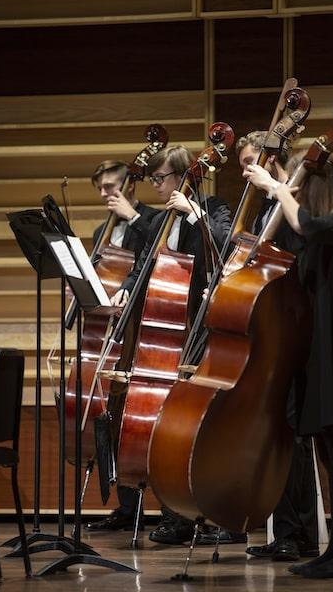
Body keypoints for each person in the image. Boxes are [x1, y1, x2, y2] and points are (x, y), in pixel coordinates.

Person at [112, 145, 244, 545]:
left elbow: (225, 248)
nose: (155, 186)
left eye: (161, 178)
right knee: (167, 428)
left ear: (186, 175)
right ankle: (177, 515)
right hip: (166, 338)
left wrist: (194, 212)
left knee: (205, 428)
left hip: (203, 333)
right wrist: (125, 291)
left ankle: (220, 515)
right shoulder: (158, 222)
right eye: (152, 179)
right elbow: (142, 267)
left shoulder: (214, 208)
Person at [244, 153, 333, 579]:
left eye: (301, 182)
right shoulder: (315, 235)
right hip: (315, 353)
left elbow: (306, 224)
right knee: (331, 457)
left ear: (315, 184)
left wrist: (278, 188)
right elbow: (275, 246)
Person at [231, 131, 319, 561]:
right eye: (244, 165)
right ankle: (288, 530)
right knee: (280, 435)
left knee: (294, 435)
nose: (248, 172)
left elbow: (303, 256)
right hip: (271, 333)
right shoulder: (267, 208)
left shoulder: (295, 201)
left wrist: (278, 192)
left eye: (252, 162)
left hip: (297, 332)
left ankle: (299, 534)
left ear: (274, 160)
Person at [84, 159, 160, 533]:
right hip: (109, 336)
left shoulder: (152, 220)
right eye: (100, 188)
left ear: (131, 184)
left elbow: (157, 262)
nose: (105, 194)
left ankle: (157, 505)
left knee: (137, 420)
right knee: (109, 416)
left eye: (111, 185)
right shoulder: (101, 230)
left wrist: (133, 217)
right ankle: (127, 506)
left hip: (141, 333)